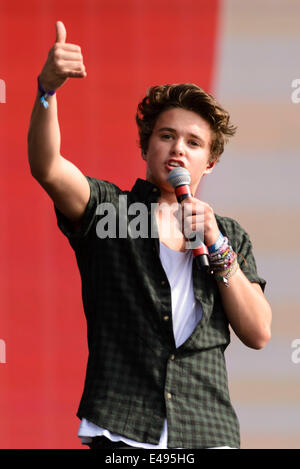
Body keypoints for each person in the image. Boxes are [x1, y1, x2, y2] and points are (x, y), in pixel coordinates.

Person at [28, 21, 272, 450]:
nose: (178, 148)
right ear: (146, 148)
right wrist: (47, 93)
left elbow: (258, 332)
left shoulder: (229, 233)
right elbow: (48, 168)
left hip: (206, 430)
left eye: (194, 143)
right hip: (122, 427)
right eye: (166, 136)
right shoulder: (109, 212)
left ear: (208, 164)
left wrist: (216, 244)